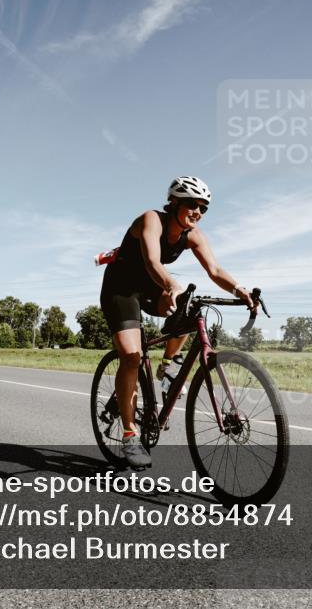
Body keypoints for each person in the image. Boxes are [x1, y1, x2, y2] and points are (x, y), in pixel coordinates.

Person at [99, 176, 255, 470]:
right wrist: (171, 284)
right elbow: (152, 262)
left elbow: (214, 269)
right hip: (121, 289)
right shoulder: (152, 219)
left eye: (204, 208)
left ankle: (168, 365)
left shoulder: (193, 235)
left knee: (190, 307)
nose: (198, 212)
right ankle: (130, 435)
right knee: (131, 355)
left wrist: (240, 290)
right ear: (174, 202)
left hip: (151, 288)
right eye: (192, 205)